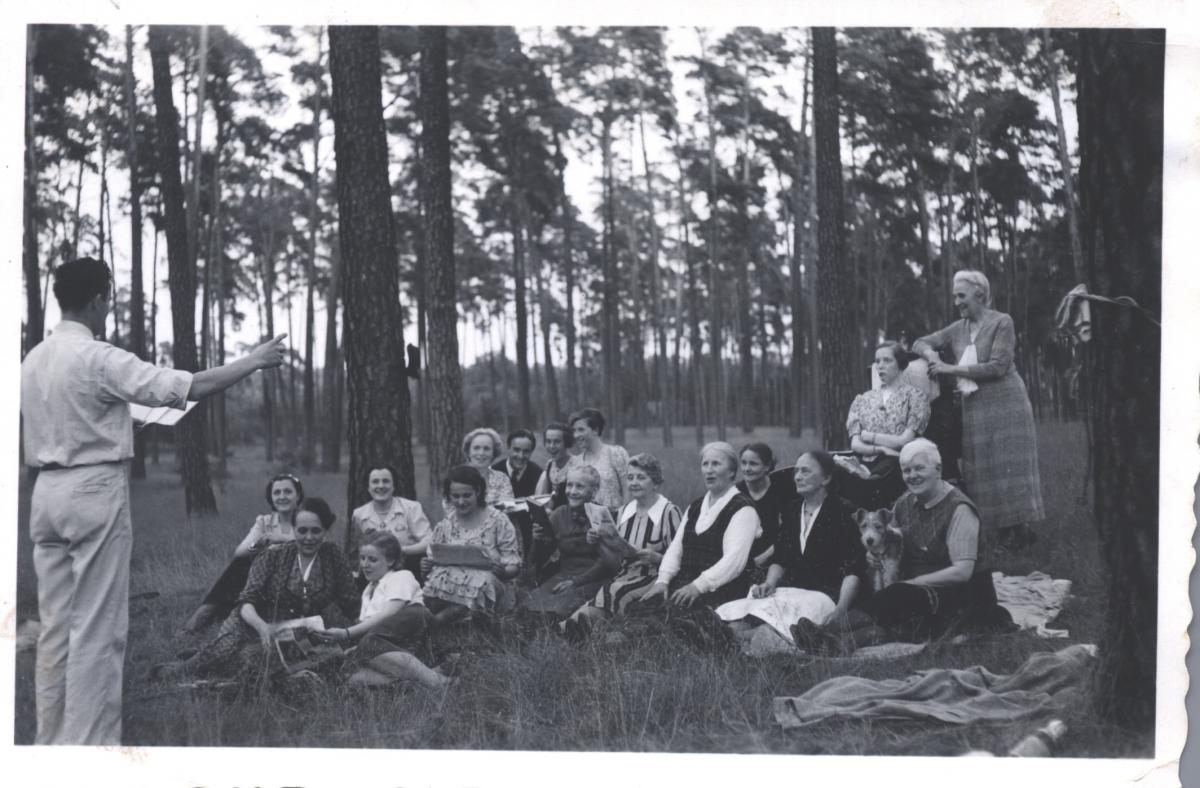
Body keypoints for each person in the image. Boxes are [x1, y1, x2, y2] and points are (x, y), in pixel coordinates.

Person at [20, 256, 287, 745]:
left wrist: (123, 421)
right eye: (108, 298)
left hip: (46, 495)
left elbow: (71, 416)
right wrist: (255, 360)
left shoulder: (34, 358)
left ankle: (51, 746)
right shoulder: (98, 356)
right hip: (92, 491)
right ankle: (90, 753)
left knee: (56, 627)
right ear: (100, 298)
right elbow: (189, 386)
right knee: (99, 629)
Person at [795, 439, 1011, 653]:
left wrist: (914, 583)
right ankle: (837, 643)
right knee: (898, 616)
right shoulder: (905, 503)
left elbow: (962, 572)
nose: (912, 476)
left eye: (919, 468)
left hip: (963, 595)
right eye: (906, 470)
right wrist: (875, 556)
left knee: (898, 596)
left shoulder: (959, 509)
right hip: (921, 591)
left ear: (938, 469)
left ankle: (826, 629)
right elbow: (889, 540)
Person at [154, 497, 361, 681]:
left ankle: (207, 655)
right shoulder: (273, 555)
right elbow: (246, 602)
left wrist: (359, 629)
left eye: (316, 531)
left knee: (254, 660)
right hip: (251, 622)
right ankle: (183, 667)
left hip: (293, 631)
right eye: (302, 531)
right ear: (294, 529)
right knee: (227, 651)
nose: (308, 537)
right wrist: (262, 627)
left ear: (326, 531)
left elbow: (351, 602)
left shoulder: (333, 556)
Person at [912, 270, 1045, 548]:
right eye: (954, 297)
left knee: (1009, 463)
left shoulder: (1002, 322)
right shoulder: (957, 328)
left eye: (961, 296)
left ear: (980, 294)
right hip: (975, 406)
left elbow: (997, 366)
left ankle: (1021, 530)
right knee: (981, 466)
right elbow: (920, 342)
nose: (957, 302)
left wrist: (949, 368)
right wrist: (932, 355)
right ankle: (996, 532)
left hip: (1007, 402)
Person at [718, 451, 864, 644]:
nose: (797, 477)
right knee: (744, 616)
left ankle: (739, 639)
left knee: (776, 623)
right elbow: (780, 557)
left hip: (825, 595)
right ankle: (732, 634)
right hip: (790, 589)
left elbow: (853, 569)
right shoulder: (792, 510)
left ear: (826, 478)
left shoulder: (843, 511)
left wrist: (840, 610)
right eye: (796, 471)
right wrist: (769, 583)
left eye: (805, 471)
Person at [561, 453, 682, 636]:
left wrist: (657, 558)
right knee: (609, 592)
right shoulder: (624, 511)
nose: (634, 482)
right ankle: (570, 629)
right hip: (623, 575)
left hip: (653, 577)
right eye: (630, 477)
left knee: (614, 590)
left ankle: (573, 629)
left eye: (641, 478)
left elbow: (679, 558)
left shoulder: (669, 512)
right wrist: (598, 541)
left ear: (655, 482)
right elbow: (615, 557)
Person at [309, 532, 447, 691]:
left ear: (391, 560)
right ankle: (415, 682)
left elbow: (390, 613)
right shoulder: (368, 591)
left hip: (416, 628)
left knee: (369, 643)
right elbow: (369, 630)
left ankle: (436, 682)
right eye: (362, 558)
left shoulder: (401, 576)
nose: (365, 564)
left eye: (372, 559)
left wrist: (347, 633)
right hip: (391, 647)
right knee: (351, 678)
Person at [638, 442, 762, 608]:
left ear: (732, 472)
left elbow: (734, 562)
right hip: (686, 584)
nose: (709, 470)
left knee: (677, 621)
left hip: (723, 590)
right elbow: (676, 548)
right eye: (705, 464)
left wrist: (698, 586)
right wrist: (663, 580)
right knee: (641, 609)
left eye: (716, 464)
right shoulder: (695, 506)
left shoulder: (744, 509)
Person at [184, 473, 305, 633]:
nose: (282, 497)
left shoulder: (306, 520)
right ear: (271, 498)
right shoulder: (265, 521)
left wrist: (278, 538)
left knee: (247, 568)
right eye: (277, 493)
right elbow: (240, 551)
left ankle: (208, 615)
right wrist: (259, 544)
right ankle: (203, 616)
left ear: (298, 496)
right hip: (264, 575)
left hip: (296, 576)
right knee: (240, 564)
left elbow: (317, 546)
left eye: (288, 492)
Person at [832, 342, 931, 510]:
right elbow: (855, 444)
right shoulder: (863, 399)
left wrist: (870, 437)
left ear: (900, 364)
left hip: (897, 464)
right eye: (877, 361)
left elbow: (904, 440)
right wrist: (880, 449)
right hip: (864, 460)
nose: (880, 366)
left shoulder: (915, 397)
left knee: (871, 485)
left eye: (887, 360)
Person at [422, 465, 523, 626]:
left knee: (481, 582)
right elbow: (434, 560)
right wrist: (427, 565)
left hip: (491, 583)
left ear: (478, 491)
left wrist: (503, 571)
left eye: (466, 495)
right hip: (454, 583)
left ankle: (438, 623)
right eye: (455, 496)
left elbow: (515, 566)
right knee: (437, 580)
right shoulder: (445, 525)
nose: (461, 502)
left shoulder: (498, 521)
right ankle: (446, 621)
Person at [524, 465, 622, 618]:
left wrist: (576, 581)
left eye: (580, 486)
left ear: (594, 490)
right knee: (529, 606)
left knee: (561, 611)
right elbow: (539, 559)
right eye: (569, 485)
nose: (572, 491)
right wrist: (537, 540)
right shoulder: (559, 514)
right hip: (564, 576)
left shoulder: (604, 516)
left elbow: (606, 563)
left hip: (595, 579)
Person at [349, 464, 432, 577]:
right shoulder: (359, 514)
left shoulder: (411, 508)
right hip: (375, 573)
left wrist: (402, 551)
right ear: (368, 487)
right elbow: (357, 550)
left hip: (407, 569)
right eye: (375, 482)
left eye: (386, 481)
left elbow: (429, 541)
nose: (381, 486)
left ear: (394, 486)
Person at [735, 443, 798, 583]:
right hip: (744, 556)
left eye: (753, 464)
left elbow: (790, 529)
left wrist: (764, 557)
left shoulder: (782, 489)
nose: (747, 469)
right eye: (744, 463)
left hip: (777, 553)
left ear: (767, 466)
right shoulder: (736, 492)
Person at [564, 408, 629, 511]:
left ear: (595, 430)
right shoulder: (576, 462)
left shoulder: (615, 454)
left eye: (581, 430)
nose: (575, 435)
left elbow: (627, 490)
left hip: (616, 518)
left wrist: (625, 518)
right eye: (574, 430)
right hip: (586, 522)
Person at [457, 427, 515, 505]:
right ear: (468, 451)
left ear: (494, 453)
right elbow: (451, 511)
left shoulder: (502, 479)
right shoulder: (457, 478)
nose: (481, 453)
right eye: (476, 448)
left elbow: (507, 509)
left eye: (486, 449)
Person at [493, 428, 543, 499]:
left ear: (531, 452)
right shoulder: (494, 471)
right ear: (508, 448)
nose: (521, 456)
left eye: (526, 451)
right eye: (516, 450)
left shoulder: (539, 475)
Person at [534, 421, 574, 508]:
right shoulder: (549, 465)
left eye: (557, 442)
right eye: (548, 441)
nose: (552, 446)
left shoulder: (576, 466)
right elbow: (542, 496)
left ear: (566, 442)